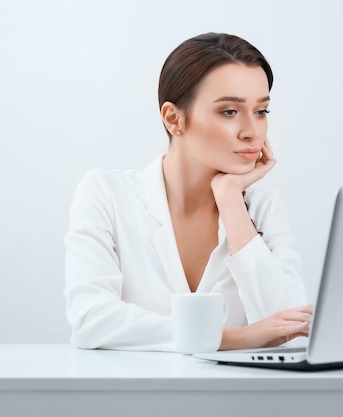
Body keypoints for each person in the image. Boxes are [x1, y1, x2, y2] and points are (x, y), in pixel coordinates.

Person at [64, 32, 311, 351]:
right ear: (174, 119)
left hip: (240, 401)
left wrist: (230, 201)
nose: (252, 132)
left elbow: (291, 329)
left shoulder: (263, 208)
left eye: (261, 111)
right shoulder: (107, 194)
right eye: (229, 112)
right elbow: (91, 320)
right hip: (130, 397)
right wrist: (237, 337)